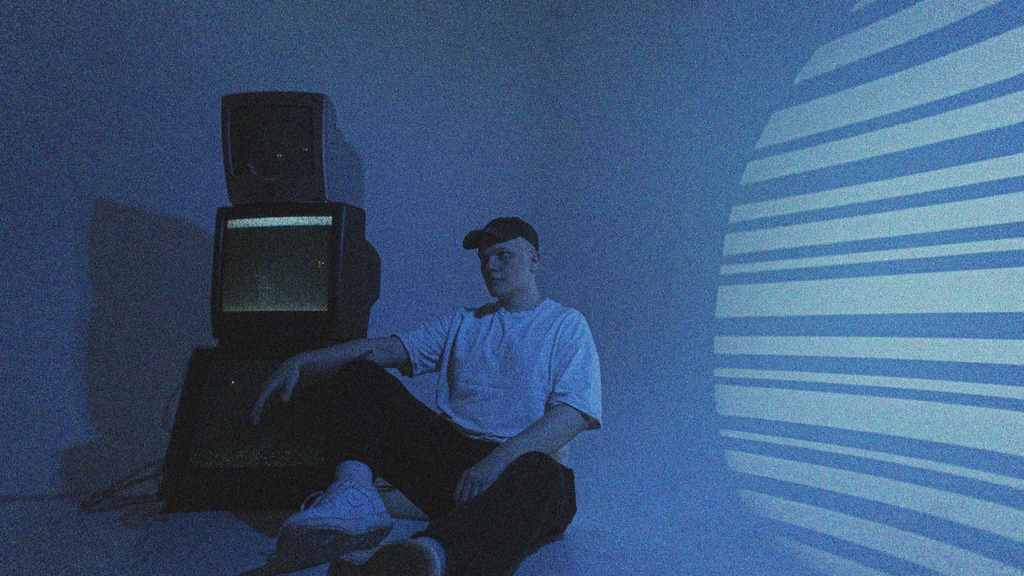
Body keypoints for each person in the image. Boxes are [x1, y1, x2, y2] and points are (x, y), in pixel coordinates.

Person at [251, 217, 602, 576]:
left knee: (544, 473)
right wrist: (304, 361)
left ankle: (427, 556)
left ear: (533, 260)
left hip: (520, 472)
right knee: (360, 372)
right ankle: (352, 497)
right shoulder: (466, 322)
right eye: (484, 259)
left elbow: (574, 414)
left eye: (503, 255)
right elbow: (386, 348)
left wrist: (493, 464)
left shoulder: (566, 324)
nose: (490, 266)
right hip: (456, 471)